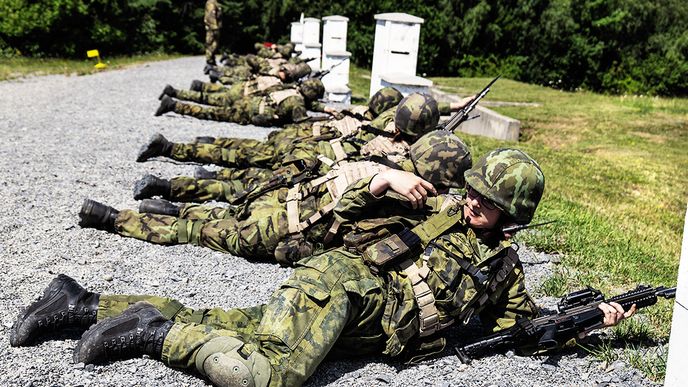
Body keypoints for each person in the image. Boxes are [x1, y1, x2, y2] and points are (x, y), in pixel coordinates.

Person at [11, 147, 636, 387]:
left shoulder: (505, 268)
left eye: (489, 202)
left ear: (513, 216)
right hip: (342, 287)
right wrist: (385, 177)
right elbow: (344, 192)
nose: (473, 202)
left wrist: (590, 320)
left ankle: (81, 302)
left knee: (232, 321)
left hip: (363, 324)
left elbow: (522, 328)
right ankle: (154, 333)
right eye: (474, 191)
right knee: (270, 378)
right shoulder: (434, 206)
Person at [77, 131, 472, 267]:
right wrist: (384, 182)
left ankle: (163, 203)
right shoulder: (397, 189)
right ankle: (115, 219)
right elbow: (352, 205)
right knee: (200, 232)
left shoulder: (391, 167)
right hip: (287, 229)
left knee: (219, 219)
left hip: (291, 205)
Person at [133, 93, 441, 205]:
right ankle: (174, 182)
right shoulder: (404, 155)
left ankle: (188, 161)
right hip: (315, 169)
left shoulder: (385, 122)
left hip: (311, 148)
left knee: (245, 162)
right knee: (247, 184)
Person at [138, 86, 405, 175]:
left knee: (240, 148)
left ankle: (192, 144)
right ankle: (178, 153)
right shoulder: (372, 131)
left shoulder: (358, 113)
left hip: (289, 136)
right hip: (300, 148)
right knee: (241, 162)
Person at [154, 78, 327, 126]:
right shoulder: (297, 104)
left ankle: (174, 97)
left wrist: (326, 109)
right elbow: (302, 121)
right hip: (247, 113)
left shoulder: (291, 91)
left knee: (208, 102)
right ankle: (173, 104)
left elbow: (307, 104)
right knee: (209, 112)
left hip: (247, 102)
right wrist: (325, 119)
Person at [204, 0, 222, 65]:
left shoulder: (216, 3)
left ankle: (211, 60)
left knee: (214, 44)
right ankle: (209, 61)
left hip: (215, 27)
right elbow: (210, 16)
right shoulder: (211, 2)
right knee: (211, 44)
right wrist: (214, 27)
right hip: (212, 28)